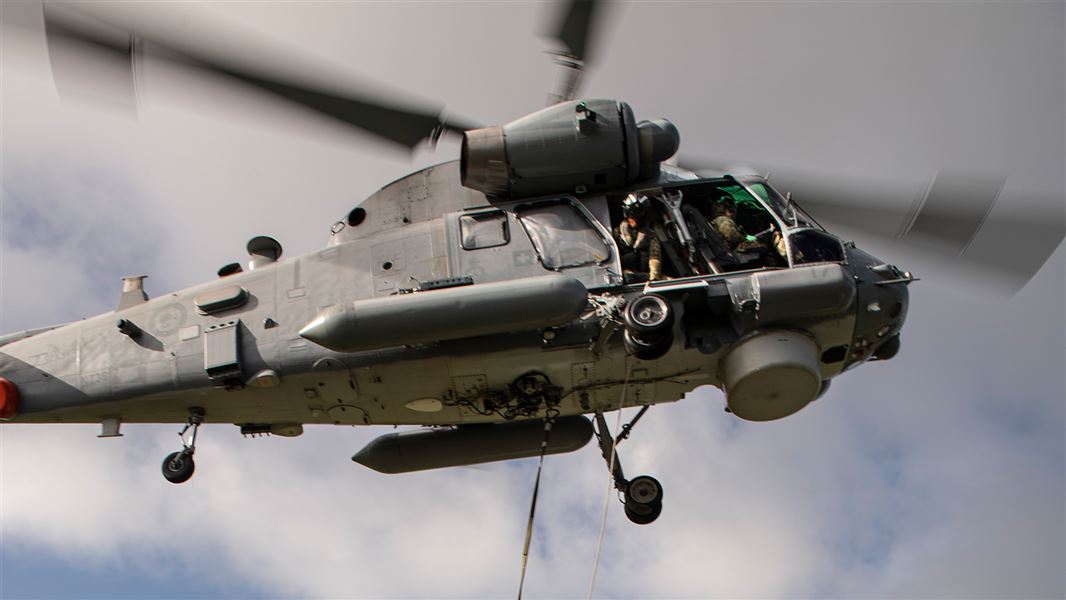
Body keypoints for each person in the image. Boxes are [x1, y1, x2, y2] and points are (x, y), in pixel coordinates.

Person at [710, 197, 786, 258]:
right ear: (727, 209)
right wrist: (745, 239)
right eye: (731, 210)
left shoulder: (718, 220)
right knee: (766, 242)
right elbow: (731, 236)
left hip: (728, 250)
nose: (733, 214)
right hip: (731, 251)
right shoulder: (723, 219)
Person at [617, 193, 663, 282]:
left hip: (645, 276)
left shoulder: (650, 235)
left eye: (637, 216)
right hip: (622, 275)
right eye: (630, 215)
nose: (633, 219)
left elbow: (655, 257)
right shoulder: (617, 233)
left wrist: (654, 277)